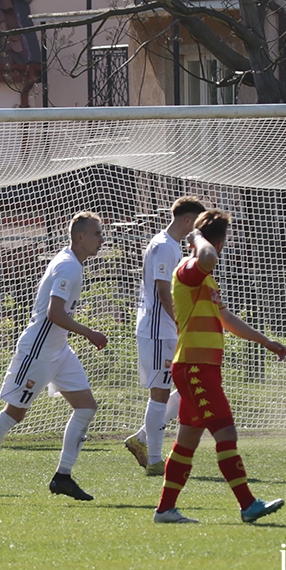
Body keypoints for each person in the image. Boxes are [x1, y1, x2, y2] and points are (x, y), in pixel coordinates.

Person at [0, 211, 108, 504]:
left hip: (58, 351)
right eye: (97, 234)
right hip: (38, 351)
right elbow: (54, 313)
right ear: (80, 236)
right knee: (15, 413)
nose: (101, 239)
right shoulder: (68, 267)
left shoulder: (71, 262)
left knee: (86, 406)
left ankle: (63, 476)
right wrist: (89, 333)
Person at [154, 209, 286, 524]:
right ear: (219, 240)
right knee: (225, 430)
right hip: (194, 367)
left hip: (201, 367)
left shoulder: (205, 277)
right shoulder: (189, 269)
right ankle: (248, 504)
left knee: (187, 440)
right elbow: (209, 257)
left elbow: (225, 319)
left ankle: (165, 510)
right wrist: (198, 238)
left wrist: (265, 341)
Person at [126, 196, 206, 476]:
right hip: (158, 329)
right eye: (196, 224)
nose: (197, 231)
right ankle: (155, 460)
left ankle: (142, 439)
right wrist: (181, 321)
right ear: (187, 220)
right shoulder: (163, 246)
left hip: (165, 329)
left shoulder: (170, 245)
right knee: (159, 394)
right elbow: (162, 290)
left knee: (186, 387)